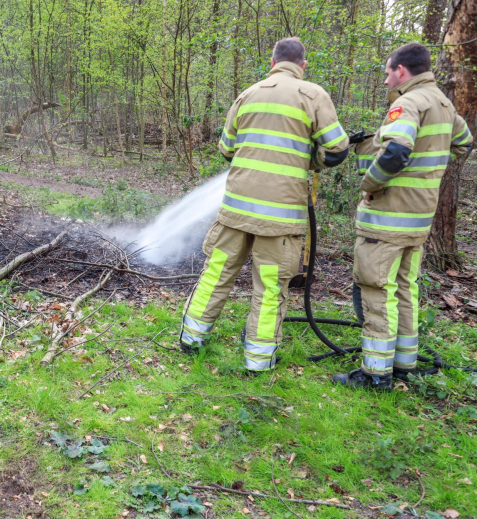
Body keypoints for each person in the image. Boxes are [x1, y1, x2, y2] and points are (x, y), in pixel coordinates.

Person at [179, 37, 350, 373]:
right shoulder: (313, 95)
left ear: (272, 63)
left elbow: (227, 149)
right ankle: (258, 361)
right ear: (303, 65)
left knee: (216, 273)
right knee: (270, 286)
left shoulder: (249, 94)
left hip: (236, 210)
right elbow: (338, 150)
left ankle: (190, 338)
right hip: (279, 218)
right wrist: (311, 154)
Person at [333, 43, 473, 390]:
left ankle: (375, 374)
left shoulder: (408, 102)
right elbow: (464, 143)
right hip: (418, 219)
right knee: (405, 290)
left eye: (386, 73)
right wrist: (428, 174)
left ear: (401, 71)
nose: (383, 81)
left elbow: (396, 152)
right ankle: (403, 364)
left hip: (389, 218)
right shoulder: (441, 102)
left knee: (376, 289)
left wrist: (370, 184)